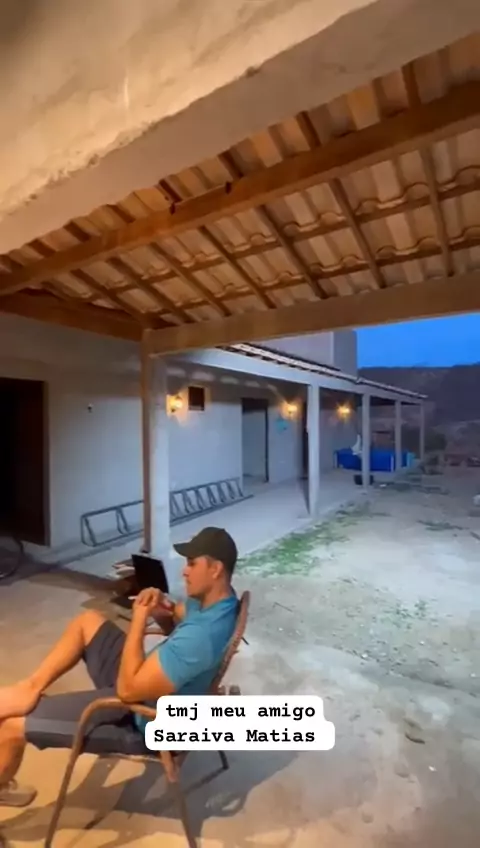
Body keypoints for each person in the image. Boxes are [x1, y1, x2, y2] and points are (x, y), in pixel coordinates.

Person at [0, 526, 239, 807]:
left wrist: (139, 618)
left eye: (192, 564)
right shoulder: (218, 602)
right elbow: (178, 617)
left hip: (144, 720)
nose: (184, 571)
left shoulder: (202, 636)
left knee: (11, 726)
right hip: (151, 685)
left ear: (215, 569)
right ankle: (30, 686)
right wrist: (161, 610)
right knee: (88, 622)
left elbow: (127, 691)